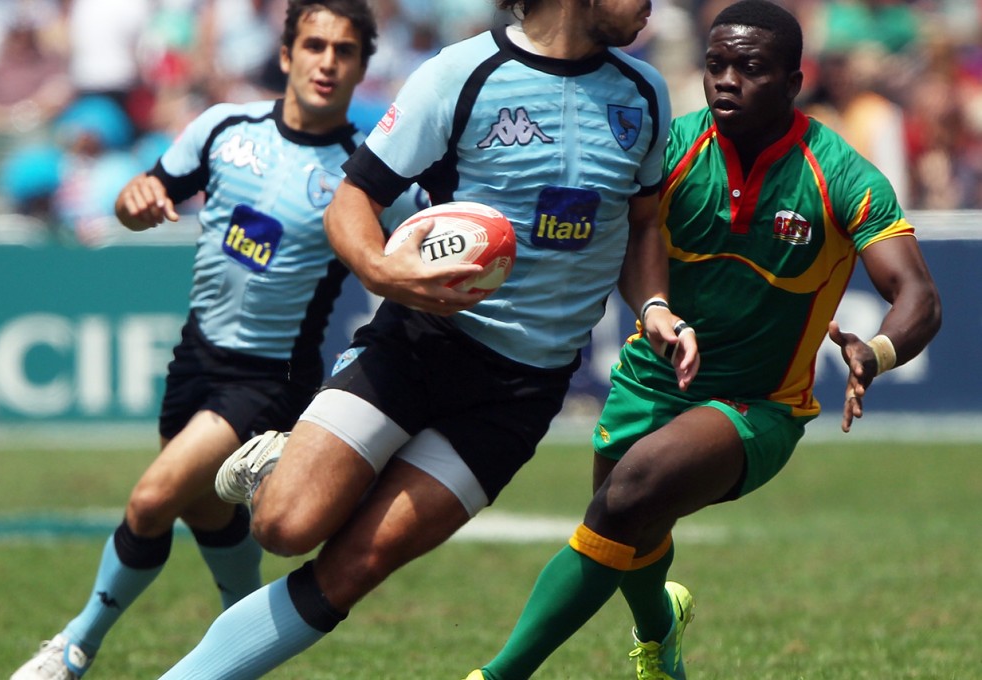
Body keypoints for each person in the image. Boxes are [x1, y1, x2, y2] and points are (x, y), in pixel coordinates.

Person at [158, 0, 699, 677]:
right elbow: (353, 198)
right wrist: (385, 270)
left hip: (520, 391)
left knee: (356, 567)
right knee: (282, 526)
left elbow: (644, 225)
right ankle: (278, 458)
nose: (649, 5)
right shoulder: (460, 75)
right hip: (418, 346)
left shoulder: (644, 91)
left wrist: (653, 306)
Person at [461, 2, 943, 679]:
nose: (726, 81)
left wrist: (878, 351)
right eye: (716, 65)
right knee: (628, 524)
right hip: (650, 380)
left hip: (758, 405)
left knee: (627, 498)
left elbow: (918, 295)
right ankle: (662, 638)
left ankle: (499, 674)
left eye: (749, 68)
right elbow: (628, 234)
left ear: (793, 81)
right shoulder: (670, 148)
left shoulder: (840, 175)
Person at [11, 1, 389, 677]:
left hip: (269, 379)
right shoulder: (223, 128)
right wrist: (134, 200)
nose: (327, 62)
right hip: (196, 358)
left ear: (362, 65)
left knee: (151, 500)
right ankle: (243, 646)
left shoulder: (362, 176)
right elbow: (143, 194)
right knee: (206, 516)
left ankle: (72, 648)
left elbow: (414, 249)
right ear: (285, 55)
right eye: (315, 45)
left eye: (344, 50)